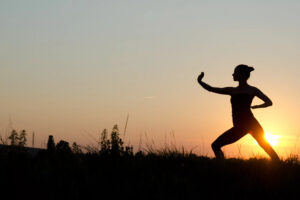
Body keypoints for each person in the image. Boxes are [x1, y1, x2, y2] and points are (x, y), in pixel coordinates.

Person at [197, 64, 280, 161]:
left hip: (247, 125)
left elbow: (269, 102)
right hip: (246, 125)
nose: (232, 74)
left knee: (215, 145)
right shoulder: (234, 90)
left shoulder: (246, 90)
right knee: (266, 147)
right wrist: (200, 81)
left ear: (241, 75)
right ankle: (280, 165)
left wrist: (257, 106)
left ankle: (222, 167)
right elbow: (211, 89)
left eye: (235, 72)